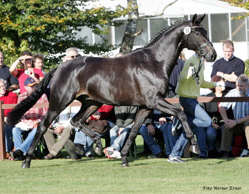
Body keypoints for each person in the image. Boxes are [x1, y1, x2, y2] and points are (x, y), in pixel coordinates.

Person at [168, 54, 222, 162]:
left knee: (189, 129)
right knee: (207, 121)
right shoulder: (192, 61)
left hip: (192, 98)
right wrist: (189, 73)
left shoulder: (201, 63)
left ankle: (174, 155)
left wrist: (216, 83)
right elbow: (184, 78)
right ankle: (180, 124)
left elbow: (202, 83)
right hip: (187, 98)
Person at [11, 77, 48, 160]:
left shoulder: (42, 96)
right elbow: (20, 113)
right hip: (26, 122)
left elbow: (45, 113)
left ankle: (20, 152)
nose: (33, 88)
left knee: (36, 130)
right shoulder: (21, 97)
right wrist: (24, 121)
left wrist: (38, 122)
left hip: (38, 121)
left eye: (34, 85)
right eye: (31, 86)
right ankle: (20, 153)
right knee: (15, 130)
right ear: (26, 87)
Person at [219, 74, 249, 157]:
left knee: (248, 124)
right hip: (236, 123)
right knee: (226, 126)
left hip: (244, 122)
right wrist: (226, 120)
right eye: (237, 85)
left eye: (241, 86)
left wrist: (236, 121)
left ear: (247, 86)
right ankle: (225, 152)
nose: (238, 88)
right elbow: (221, 106)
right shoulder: (233, 92)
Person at [0, 79, 18, 158]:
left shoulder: (12, 95)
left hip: (10, 120)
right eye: (0, 87)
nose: (3, 88)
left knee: (7, 127)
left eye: (3, 86)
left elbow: (17, 110)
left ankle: (7, 152)